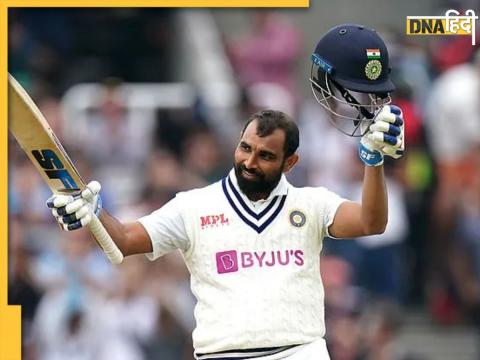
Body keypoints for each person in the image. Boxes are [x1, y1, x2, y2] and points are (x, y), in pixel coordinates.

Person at [46, 24, 405, 360]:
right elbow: (124, 240)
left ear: (290, 163)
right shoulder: (195, 206)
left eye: (265, 156)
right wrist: (92, 212)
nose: (250, 162)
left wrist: (373, 161)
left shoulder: (311, 203)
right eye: (245, 148)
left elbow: (371, 222)